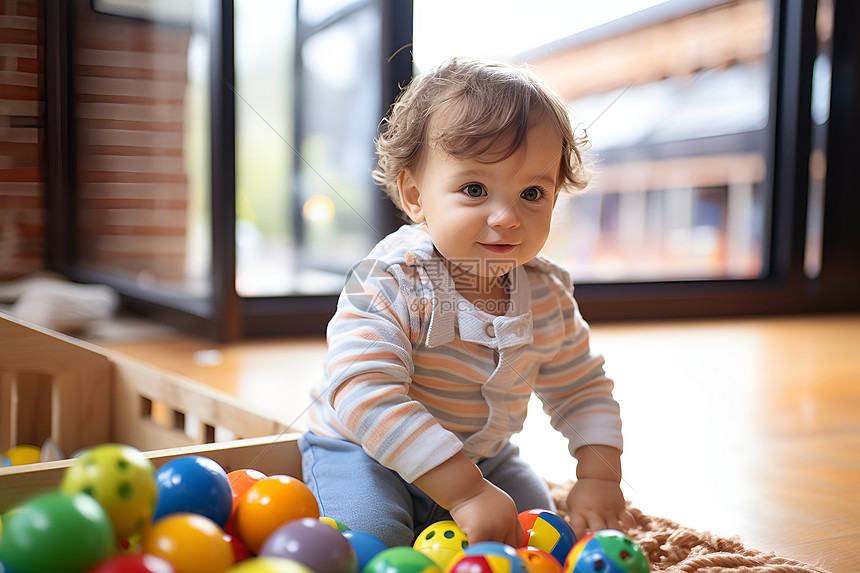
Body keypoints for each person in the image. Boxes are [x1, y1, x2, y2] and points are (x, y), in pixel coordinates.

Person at [299, 57, 634, 549]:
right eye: (474, 189)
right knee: (371, 542)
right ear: (416, 196)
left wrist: (599, 477)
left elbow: (581, 388)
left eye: (532, 192)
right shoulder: (394, 280)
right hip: (363, 453)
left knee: (539, 536)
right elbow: (363, 393)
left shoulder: (545, 295)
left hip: (484, 458)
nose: (506, 216)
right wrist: (467, 492)